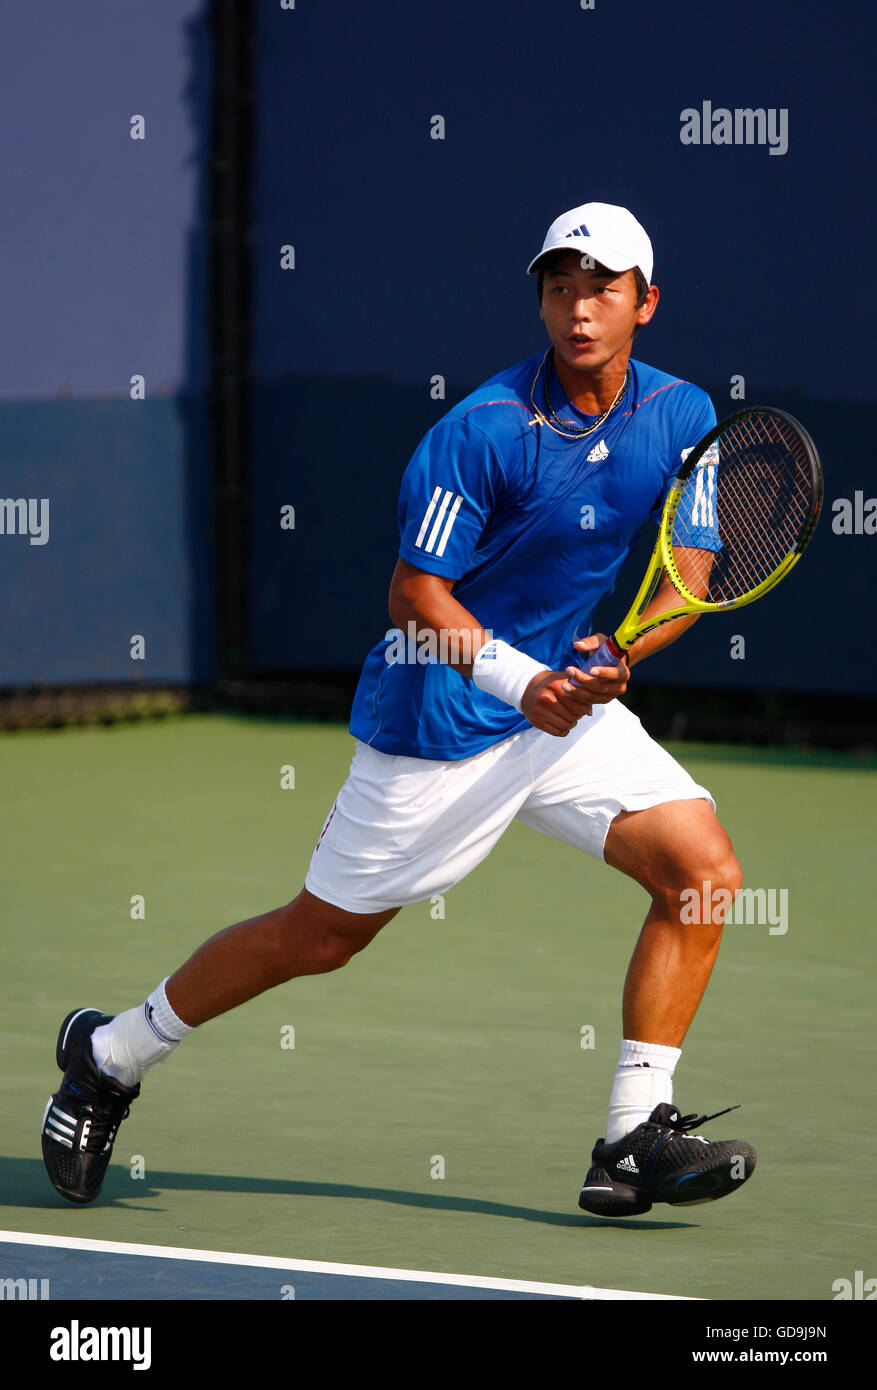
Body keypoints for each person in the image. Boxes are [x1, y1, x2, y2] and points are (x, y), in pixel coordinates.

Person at [41, 202, 755, 1217]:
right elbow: (414, 597)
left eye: (602, 287)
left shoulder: (684, 419)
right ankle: (111, 1053)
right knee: (319, 936)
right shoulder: (479, 433)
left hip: (566, 714)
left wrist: (614, 653)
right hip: (444, 721)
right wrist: (525, 683)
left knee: (703, 871)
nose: (578, 307)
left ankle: (631, 1135)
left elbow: (689, 566)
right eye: (559, 285)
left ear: (646, 302)